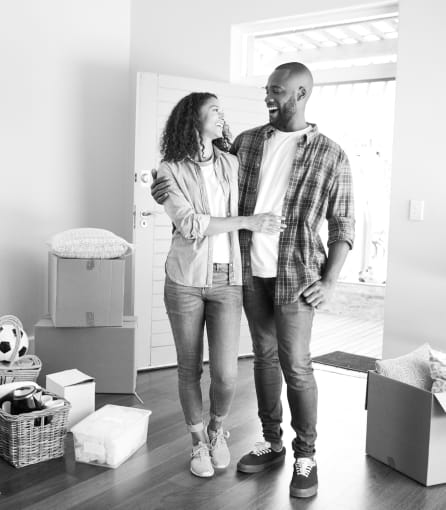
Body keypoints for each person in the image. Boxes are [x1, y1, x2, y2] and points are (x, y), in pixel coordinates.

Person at [151, 62, 355, 498]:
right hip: (245, 274)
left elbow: (343, 225)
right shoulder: (246, 144)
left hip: (296, 277)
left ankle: (306, 455)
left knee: (296, 366)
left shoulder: (331, 154)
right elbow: (201, 185)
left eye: (276, 91)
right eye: (267, 89)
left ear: (300, 95)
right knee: (263, 359)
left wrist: (332, 280)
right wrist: (164, 188)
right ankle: (272, 442)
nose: (268, 96)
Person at [156, 92, 286, 478]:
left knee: (227, 374)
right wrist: (247, 221)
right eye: (214, 110)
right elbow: (191, 224)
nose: (221, 115)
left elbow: (267, 185)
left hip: (227, 281)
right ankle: (197, 444)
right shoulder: (169, 170)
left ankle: (217, 431)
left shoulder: (231, 163)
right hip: (184, 281)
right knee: (189, 368)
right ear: (192, 119)